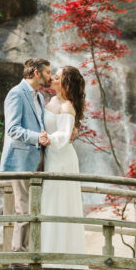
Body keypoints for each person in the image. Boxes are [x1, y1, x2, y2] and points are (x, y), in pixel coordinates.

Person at [0, 58, 51, 252]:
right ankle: (18, 255)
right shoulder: (16, 94)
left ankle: (30, 251)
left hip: (39, 158)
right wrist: (37, 137)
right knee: (24, 207)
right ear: (36, 73)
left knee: (35, 207)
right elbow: (12, 129)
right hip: (21, 160)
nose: (50, 76)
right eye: (47, 72)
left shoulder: (39, 97)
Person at [40, 66, 88, 257]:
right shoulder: (52, 100)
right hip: (52, 155)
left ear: (65, 84)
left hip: (61, 158)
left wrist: (48, 138)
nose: (52, 78)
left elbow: (63, 134)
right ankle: (46, 251)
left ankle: (59, 255)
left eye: (57, 78)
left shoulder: (67, 106)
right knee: (49, 202)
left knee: (58, 202)